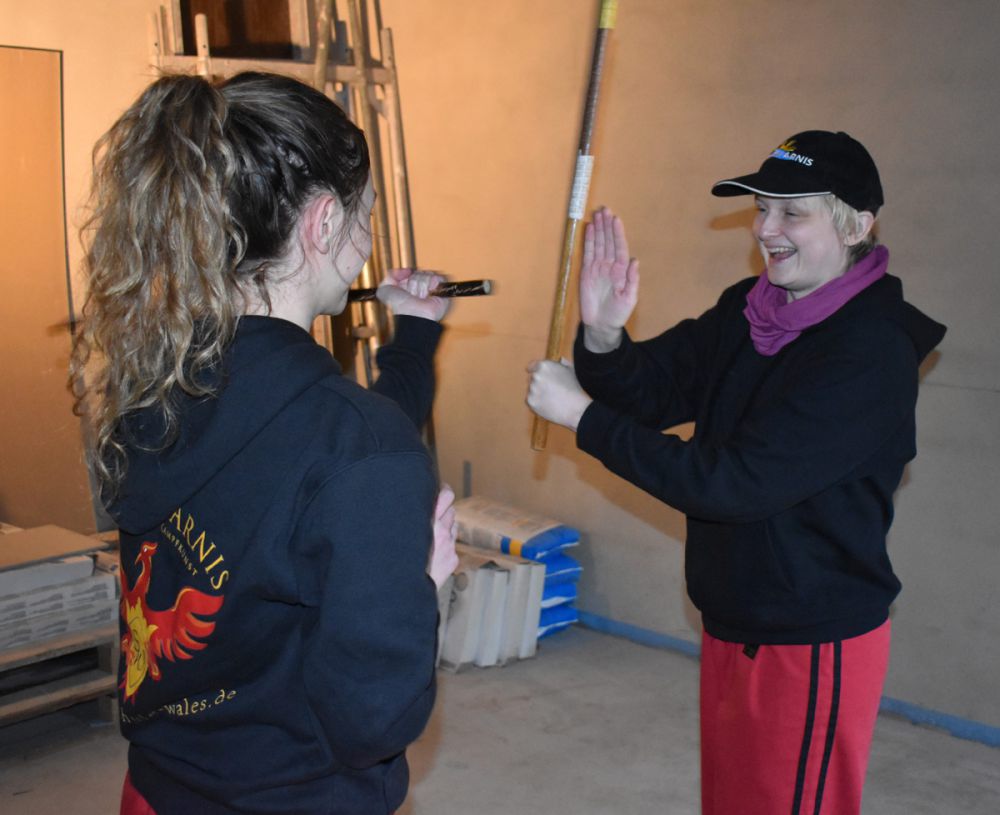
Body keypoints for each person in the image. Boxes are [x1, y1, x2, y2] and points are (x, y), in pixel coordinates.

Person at [70, 71, 459, 815]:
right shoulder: (352, 446)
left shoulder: (158, 384)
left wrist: (414, 334)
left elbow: (327, 454)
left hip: (157, 789)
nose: (367, 247)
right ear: (322, 222)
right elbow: (376, 719)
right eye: (365, 218)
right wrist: (425, 589)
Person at [526, 130, 946, 815]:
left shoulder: (870, 352)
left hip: (810, 637)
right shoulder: (751, 310)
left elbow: (730, 483)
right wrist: (603, 336)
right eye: (761, 208)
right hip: (733, 618)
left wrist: (583, 418)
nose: (765, 230)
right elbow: (655, 391)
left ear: (856, 226)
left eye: (792, 212)